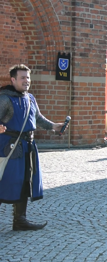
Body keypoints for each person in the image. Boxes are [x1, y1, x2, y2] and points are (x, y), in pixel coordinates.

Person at [0, 64, 65, 231]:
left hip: (27, 147)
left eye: (28, 77)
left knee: (24, 182)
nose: (26, 81)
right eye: (23, 77)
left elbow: (38, 118)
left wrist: (54, 126)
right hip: (9, 147)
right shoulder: (5, 98)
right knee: (5, 181)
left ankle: (19, 220)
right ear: (13, 79)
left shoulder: (30, 98)